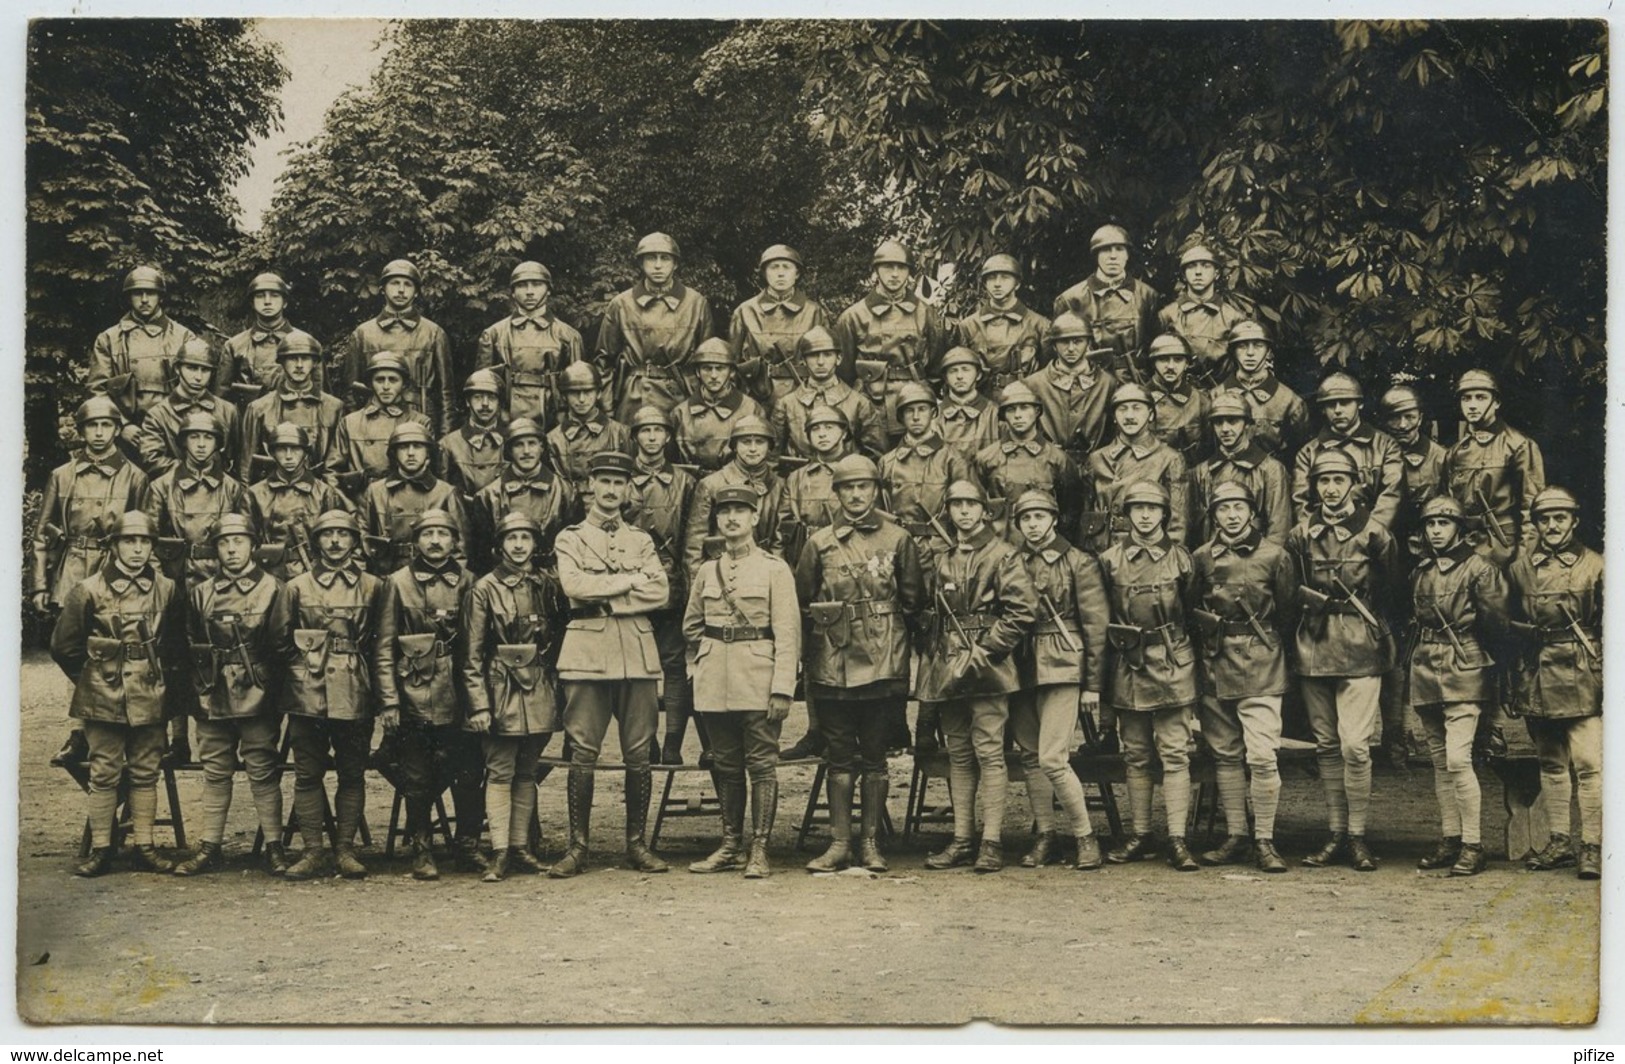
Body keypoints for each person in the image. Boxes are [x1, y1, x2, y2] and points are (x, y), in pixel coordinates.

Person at [794, 455, 925, 873]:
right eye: (847, 488)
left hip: (883, 658)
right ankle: (838, 843)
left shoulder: (898, 538)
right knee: (838, 754)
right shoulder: (818, 542)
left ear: (876, 491)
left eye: (863, 487)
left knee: (874, 755)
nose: (855, 495)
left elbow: (913, 600)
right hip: (833, 660)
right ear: (836, 494)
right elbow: (803, 601)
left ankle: (870, 843)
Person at [548, 451, 672, 877]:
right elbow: (574, 586)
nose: (611, 490)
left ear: (628, 489)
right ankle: (577, 847)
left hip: (636, 653)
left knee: (639, 752)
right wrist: (630, 582)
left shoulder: (641, 540)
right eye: (604, 481)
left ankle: (637, 845)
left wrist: (608, 592)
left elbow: (661, 594)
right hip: (586, 652)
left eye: (619, 483)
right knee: (583, 751)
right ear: (590, 486)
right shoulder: (570, 537)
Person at [50, 511, 185, 876]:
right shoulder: (89, 589)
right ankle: (101, 850)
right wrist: (94, 676)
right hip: (102, 696)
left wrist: (164, 689)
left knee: (145, 771)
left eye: (144, 542)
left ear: (153, 547)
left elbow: (175, 648)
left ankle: (144, 846)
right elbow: (64, 646)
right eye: (129, 541)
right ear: (113, 546)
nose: (137, 550)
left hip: (149, 693)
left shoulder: (168, 588)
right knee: (104, 771)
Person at [917, 479, 1038, 874]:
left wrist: (985, 650)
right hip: (949, 666)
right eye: (956, 505)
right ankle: (963, 839)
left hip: (989, 667)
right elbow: (929, 612)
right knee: (958, 752)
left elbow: (1021, 612)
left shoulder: (1004, 555)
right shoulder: (942, 557)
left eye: (971, 504)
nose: (964, 511)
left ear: (985, 511)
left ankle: (991, 842)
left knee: (989, 751)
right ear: (948, 512)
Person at [1288, 448, 1399, 872]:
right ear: (1313, 487)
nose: (1331, 489)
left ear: (1355, 484)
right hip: (1312, 644)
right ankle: (1336, 833)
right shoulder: (1300, 533)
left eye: (1339, 480)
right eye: (1323, 481)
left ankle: (1358, 835)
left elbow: (1391, 591)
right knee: (1327, 745)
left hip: (1360, 645)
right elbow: (1291, 586)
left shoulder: (1375, 533)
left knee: (1356, 745)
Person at [683, 486, 801, 878]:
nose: (732, 518)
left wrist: (783, 687)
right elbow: (692, 626)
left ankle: (760, 848)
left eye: (741, 511)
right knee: (726, 765)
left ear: (754, 518)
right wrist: (697, 668)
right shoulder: (706, 570)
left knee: (762, 766)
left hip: (759, 678)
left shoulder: (774, 568)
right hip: (715, 680)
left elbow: (787, 633)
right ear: (717, 520)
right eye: (725, 512)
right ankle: (731, 843)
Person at [172, 515, 293, 877]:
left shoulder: (275, 588)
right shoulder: (200, 592)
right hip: (213, 692)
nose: (232, 549)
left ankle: (274, 846)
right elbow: (191, 646)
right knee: (215, 769)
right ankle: (209, 845)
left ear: (254, 545)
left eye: (239, 541)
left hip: (259, 691)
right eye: (224, 543)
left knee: (262, 769)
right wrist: (200, 688)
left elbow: (282, 647)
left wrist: (273, 691)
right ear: (216, 549)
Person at [1191, 481, 1296, 873]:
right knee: (1225, 755)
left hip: (1262, 663)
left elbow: (1286, 613)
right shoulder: (1201, 558)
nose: (1232, 515)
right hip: (1215, 663)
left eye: (1239, 507)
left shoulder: (1274, 556)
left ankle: (1265, 839)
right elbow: (1192, 609)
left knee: (1263, 755)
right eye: (1223, 508)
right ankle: (1236, 835)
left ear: (1252, 512)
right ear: (1213, 515)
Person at [1098, 480, 1201, 870]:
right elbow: (1101, 615)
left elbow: (1191, 612)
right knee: (1137, 752)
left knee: (1174, 750)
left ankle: (1177, 838)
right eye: (1136, 508)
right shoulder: (1109, 560)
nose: (1144, 515)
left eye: (1152, 508)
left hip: (1173, 660)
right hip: (1127, 663)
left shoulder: (1182, 559)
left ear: (1164, 514)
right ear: (1126, 516)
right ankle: (1140, 833)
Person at [375, 508, 483, 879]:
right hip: (413, 692)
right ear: (414, 542)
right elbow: (384, 647)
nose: (435, 541)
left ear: (456, 541)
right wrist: (389, 700)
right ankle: (421, 845)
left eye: (443, 533)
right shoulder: (397, 582)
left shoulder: (471, 581)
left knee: (469, 771)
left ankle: (468, 844)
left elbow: (477, 644)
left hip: (460, 691)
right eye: (427, 534)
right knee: (417, 774)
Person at [461, 511, 567, 881]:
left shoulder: (546, 584)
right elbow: (471, 653)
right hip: (499, 687)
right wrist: (479, 704)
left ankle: (521, 848)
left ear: (536, 545)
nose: (519, 545)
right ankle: (500, 851)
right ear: (498, 545)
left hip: (537, 685)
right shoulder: (484, 588)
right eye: (511, 538)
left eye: (526, 538)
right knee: (500, 770)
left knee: (527, 772)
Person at [279, 509, 384, 881]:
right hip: (307, 690)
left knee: (352, 772)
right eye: (328, 535)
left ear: (355, 541)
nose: (336, 541)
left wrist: (382, 695)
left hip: (355, 688)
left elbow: (381, 645)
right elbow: (281, 641)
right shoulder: (296, 586)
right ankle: (311, 851)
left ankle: (345, 849)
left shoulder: (374, 586)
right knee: (308, 772)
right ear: (316, 541)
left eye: (344, 534)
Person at [1408, 496, 1508, 878]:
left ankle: (1472, 843)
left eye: (1444, 523)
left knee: (1457, 759)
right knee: (1438, 761)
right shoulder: (1421, 571)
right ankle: (1451, 838)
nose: (1436, 530)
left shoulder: (1481, 569)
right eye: (1430, 524)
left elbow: (1497, 627)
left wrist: (1493, 676)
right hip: (1426, 665)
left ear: (1460, 530)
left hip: (1466, 665)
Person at [1008, 489, 1108, 871]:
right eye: (1025, 519)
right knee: (1031, 756)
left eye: (1039, 517)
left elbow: (1096, 627)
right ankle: (1046, 836)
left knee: (1052, 757)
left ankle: (1085, 836)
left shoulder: (1079, 562)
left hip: (1063, 662)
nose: (1033, 525)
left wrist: (1093, 684)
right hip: (1020, 663)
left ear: (1054, 519)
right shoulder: (1010, 560)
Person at [1506, 487, 1602, 881]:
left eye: (1560, 518)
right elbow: (1509, 626)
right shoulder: (1520, 568)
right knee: (1550, 762)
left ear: (1574, 521)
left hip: (1582, 669)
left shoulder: (1597, 566)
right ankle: (1560, 841)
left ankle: (1593, 846)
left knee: (1589, 765)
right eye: (1544, 519)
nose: (1552, 526)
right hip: (1538, 670)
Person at [622, 406, 700, 766]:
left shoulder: (686, 481)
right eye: (645, 431)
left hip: (671, 583)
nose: (652, 438)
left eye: (658, 431)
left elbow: (692, 535)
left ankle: (672, 743)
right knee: (636, 666)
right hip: (632, 583)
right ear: (634, 437)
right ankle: (645, 739)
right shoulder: (620, 479)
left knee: (673, 664)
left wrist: (686, 585)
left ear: (668, 437)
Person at [832, 239, 949, 445]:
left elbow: (937, 363)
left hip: (914, 404)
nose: (894, 274)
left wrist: (923, 391)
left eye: (901, 268)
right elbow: (844, 370)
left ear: (909, 272)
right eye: (887, 267)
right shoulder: (853, 316)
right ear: (876, 271)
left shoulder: (927, 313)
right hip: (870, 404)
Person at [597, 232, 714, 422]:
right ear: (641, 263)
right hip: (634, 397)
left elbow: (710, 360)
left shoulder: (696, 303)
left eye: (665, 258)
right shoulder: (621, 304)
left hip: (683, 396)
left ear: (675, 264)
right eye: (651, 258)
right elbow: (604, 362)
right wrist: (607, 408)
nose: (658, 265)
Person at [1443, 369, 1546, 568]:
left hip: (1504, 546)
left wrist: (1523, 558)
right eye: (1466, 398)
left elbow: (1532, 508)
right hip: (1463, 546)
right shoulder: (1455, 452)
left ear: (1496, 402)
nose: (1472, 405)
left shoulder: (1519, 445)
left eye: (1481, 397)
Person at [339, 259, 454, 436]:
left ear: (416, 292)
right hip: (373, 423)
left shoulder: (434, 333)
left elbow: (446, 394)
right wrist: (357, 433)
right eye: (395, 283)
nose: (401, 290)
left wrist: (444, 439)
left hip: (420, 420)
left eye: (408, 284)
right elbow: (350, 393)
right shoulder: (363, 334)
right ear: (382, 289)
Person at [89, 266, 203, 436]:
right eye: (137, 293)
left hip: (174, 429)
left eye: (150, 293)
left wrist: (179, 424)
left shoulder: (184, 337)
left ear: (160, 297)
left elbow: (198, 387)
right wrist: (123, 426)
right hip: (127, 432)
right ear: (129, 297)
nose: (144, 300)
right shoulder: (108, 339)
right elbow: (98, 391)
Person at [143, 410, 250, 589]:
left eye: (208, 438)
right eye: (194, 437)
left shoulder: (232, 488)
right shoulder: (161, 486)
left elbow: (243, 541)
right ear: (184, 442)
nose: (201, 445)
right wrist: (162, 583)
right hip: (175, 576)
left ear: (217, 444)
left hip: (219, 578)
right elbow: (147, 540)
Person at [473, 260, 586, 427]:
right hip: (506, 419)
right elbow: (482, 388)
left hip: (552, 419)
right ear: (512, 292)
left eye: (537, 285)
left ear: (548, 290)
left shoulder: (568, 336)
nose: (530, 292)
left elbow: (580, 387)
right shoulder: (494, 334)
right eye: (522, 286)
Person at [969, 381, 1084, 543]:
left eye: (1024, 407)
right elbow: (974, 507)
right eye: (1011, 409)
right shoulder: (986, 459)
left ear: (1037, 411)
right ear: (1003, 415)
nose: (1017, 415)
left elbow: (1070, 513)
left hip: (1044, 547)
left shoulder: (1058, 459)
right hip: (999, 548)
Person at [1290, 371, 1404, 530]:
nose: (1337, 410)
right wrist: (1318, 536)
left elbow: (1391, 496)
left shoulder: (1385, 446)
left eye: (1345, 402)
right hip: (1322, 540)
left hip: (1371, 538)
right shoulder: (1308, 453)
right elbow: (1301, 503)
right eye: (1331, 404)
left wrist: (1368, 534)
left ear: (1360, 404)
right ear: (1323, 409)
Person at [1085, 382, 1189, 552]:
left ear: (1150, 415)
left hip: (1145, 553)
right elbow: (1086, 516)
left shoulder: (1169, 459)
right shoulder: (1097, 459)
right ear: (1113, 416)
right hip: (1100, 552)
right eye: (1122, 409)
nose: (1129, 416)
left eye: (1137, 408)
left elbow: (1177, 524)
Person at [357, 422, 470, 577]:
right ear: (394, 453)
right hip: (384, 577)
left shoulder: (446, 492)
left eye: (417, 446)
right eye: (403, 447)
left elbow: (460, 550)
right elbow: (360, 543)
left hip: (433, 578)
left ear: (428, 453)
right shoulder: (375, 492)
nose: (411, 453)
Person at [1051, 225, 1160, 385]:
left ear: (1128, 255)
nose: (1113, 256)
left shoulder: (1147, 296)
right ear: (1096, 255)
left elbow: (1158, 347)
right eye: (1106, 250)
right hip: (1089, 382)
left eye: (1119, 249)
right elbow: (1056, 350)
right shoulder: (1071, 299)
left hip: (1136, 382)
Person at [729, 244, 831, 411]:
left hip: (803, 395)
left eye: (787, 267)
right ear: (764, 272)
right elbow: (731, 365)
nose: (781, 273)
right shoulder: (745, 311)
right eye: (774, 267)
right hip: (757, 397)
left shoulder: (814, 312)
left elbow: (828, 361)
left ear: (797, 273)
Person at [470, 417, 577, 573]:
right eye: (519, 445)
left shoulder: (565, 492)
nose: (526, 451)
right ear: (509, 450)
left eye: (532, 443)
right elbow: (481, 557)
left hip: (552, 579)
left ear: (541, 447)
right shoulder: (488, 496)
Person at [245, 423, 349, 584]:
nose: (288, 456)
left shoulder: (325, 493)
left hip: (313, 573)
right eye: (281, 449)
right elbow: (246, 543)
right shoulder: (254, 494)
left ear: (305, 453)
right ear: (272, 453)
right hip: (267, 574)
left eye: (295, 449)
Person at [877, 382, 965, 570]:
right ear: (900, 416)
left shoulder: (952, 459)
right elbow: (878, 510)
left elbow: (966, 507)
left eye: (922, 409)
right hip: (897, 548)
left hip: (940, 548)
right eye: (909, 411)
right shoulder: (887, 462)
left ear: (934, 413)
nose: (916, 417)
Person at [238, 331, 345, 486]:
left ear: (315, 363)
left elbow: (336, 465)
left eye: (306, 358)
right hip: (271, 492)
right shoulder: (259, 408)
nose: (299, 365)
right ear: (281, 361)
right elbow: (246, 468)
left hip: (318, 492)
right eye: (293, 358)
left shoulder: (334, 408)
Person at [683, 416, 786, 575]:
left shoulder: (780, 486)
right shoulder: (710, 484)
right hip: (721, 571)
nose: (753, 449)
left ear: (769, 446)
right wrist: (699, 585)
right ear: (735, 446)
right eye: (746, 442)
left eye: (759, 442)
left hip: (765, 571)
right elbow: (694, 546)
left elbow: (780, 541)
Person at [1190, 392, 1292, 547]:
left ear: (1247, 425)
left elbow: (1279, 529)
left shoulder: (1271, 469)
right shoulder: (1201, 472)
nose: (1224, 429)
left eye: (1232, 421)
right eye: (1218, 422)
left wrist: (1264, 561)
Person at [771, 326, 885, 461]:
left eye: (827, 354)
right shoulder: (786, 404)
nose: (820, 362)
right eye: (813, 355)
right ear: (803, 360)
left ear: (839, 358)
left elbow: (875, 457)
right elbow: (772, 457)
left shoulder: (860, 403)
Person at [1021, 311, 1116, 468]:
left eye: (1078, 341)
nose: (1071, 349)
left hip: (1096, 468)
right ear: (1054, 345)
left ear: (1088, 343)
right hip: (1046, 465)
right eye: (1064, 342)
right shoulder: (1033, 385)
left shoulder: (1107, 384)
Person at [137, 337, 240, 480]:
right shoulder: (158, 415)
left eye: (205, 370)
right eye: (191, 368)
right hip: (174, 490)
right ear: (178, 369)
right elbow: (152, 460)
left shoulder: (228, 411)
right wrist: (198, 471)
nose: (198, 377)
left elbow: (237, 459)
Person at [1208, 320, 1309, 459]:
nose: (1250, 353)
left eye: (1258, 346)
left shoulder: (1290, 401)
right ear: (1233, 352)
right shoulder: (1214, 397)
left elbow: (1299, 453)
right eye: (1242, 346)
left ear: (1268, 351)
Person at [332, 352, 435, 485]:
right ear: (370, 384)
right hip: (359, 501)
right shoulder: (350, 422)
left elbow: (429, 474)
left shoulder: (420, 422)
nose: (386, 387)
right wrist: (350, 505)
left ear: (404, 384)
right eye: (380, 380)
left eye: (393, 380)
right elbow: (332, 473)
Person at [954, 254, 1050, 394]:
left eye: (1005, 277)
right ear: (985, 283)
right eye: (991, 278)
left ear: (1017, 284)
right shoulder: (968, 326)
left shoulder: (1040, 324)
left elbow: (1047, 372)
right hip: (983, 401)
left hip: (1025, 399)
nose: (997, 283)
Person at [1156, 244, 1250, 385]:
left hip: (1220, 396)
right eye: (1192, 266)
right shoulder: (1166, 315)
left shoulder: (1234, 318)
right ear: (1183, 274)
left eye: (1206, 266)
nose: (1198, 272)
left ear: (1216, 273)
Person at [672, 339, 767, 472]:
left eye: (720, 368)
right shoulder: (680, 413)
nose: (714, 376)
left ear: (732, 372)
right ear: (698, 372)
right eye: (707, 368)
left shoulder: (751, 409)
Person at [225, 272, 324, 399]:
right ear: (252, 303)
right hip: (249, 417)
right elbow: (223, 405)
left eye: (275, 296)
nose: (267, 302)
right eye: (260, 296)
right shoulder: (234, 345)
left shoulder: (308, 343)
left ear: (285, 302)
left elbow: (321, 396)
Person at [779, 404, 852, 568]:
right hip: (805, 558)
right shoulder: (796, 478)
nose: (822, 434)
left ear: (844, 433)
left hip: (847, 558)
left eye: (829, 427)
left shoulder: (859, 470)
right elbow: (781, 531)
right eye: (815, 429)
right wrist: (784, 569)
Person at [546, 360, 632, 496]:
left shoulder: (620, 433)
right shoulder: (553, 439)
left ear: (598, 393)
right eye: (574, 393)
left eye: (588, 392)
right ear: (564, 396)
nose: (581, 399)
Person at [438, 369, 508, 498]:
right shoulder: (448, 444)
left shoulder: (511, 440)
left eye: (492, 397)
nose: (485, 404)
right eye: (478, 397)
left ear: (500, 403)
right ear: (467, 401)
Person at [1144, 333, 1211, 466]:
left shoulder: (1201, 401)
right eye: (1163, 359)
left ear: (1187, 364)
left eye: (1178, 359)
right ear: (1153, 362)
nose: (1170, 366)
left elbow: (1209, 450)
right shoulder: (1137, 399)